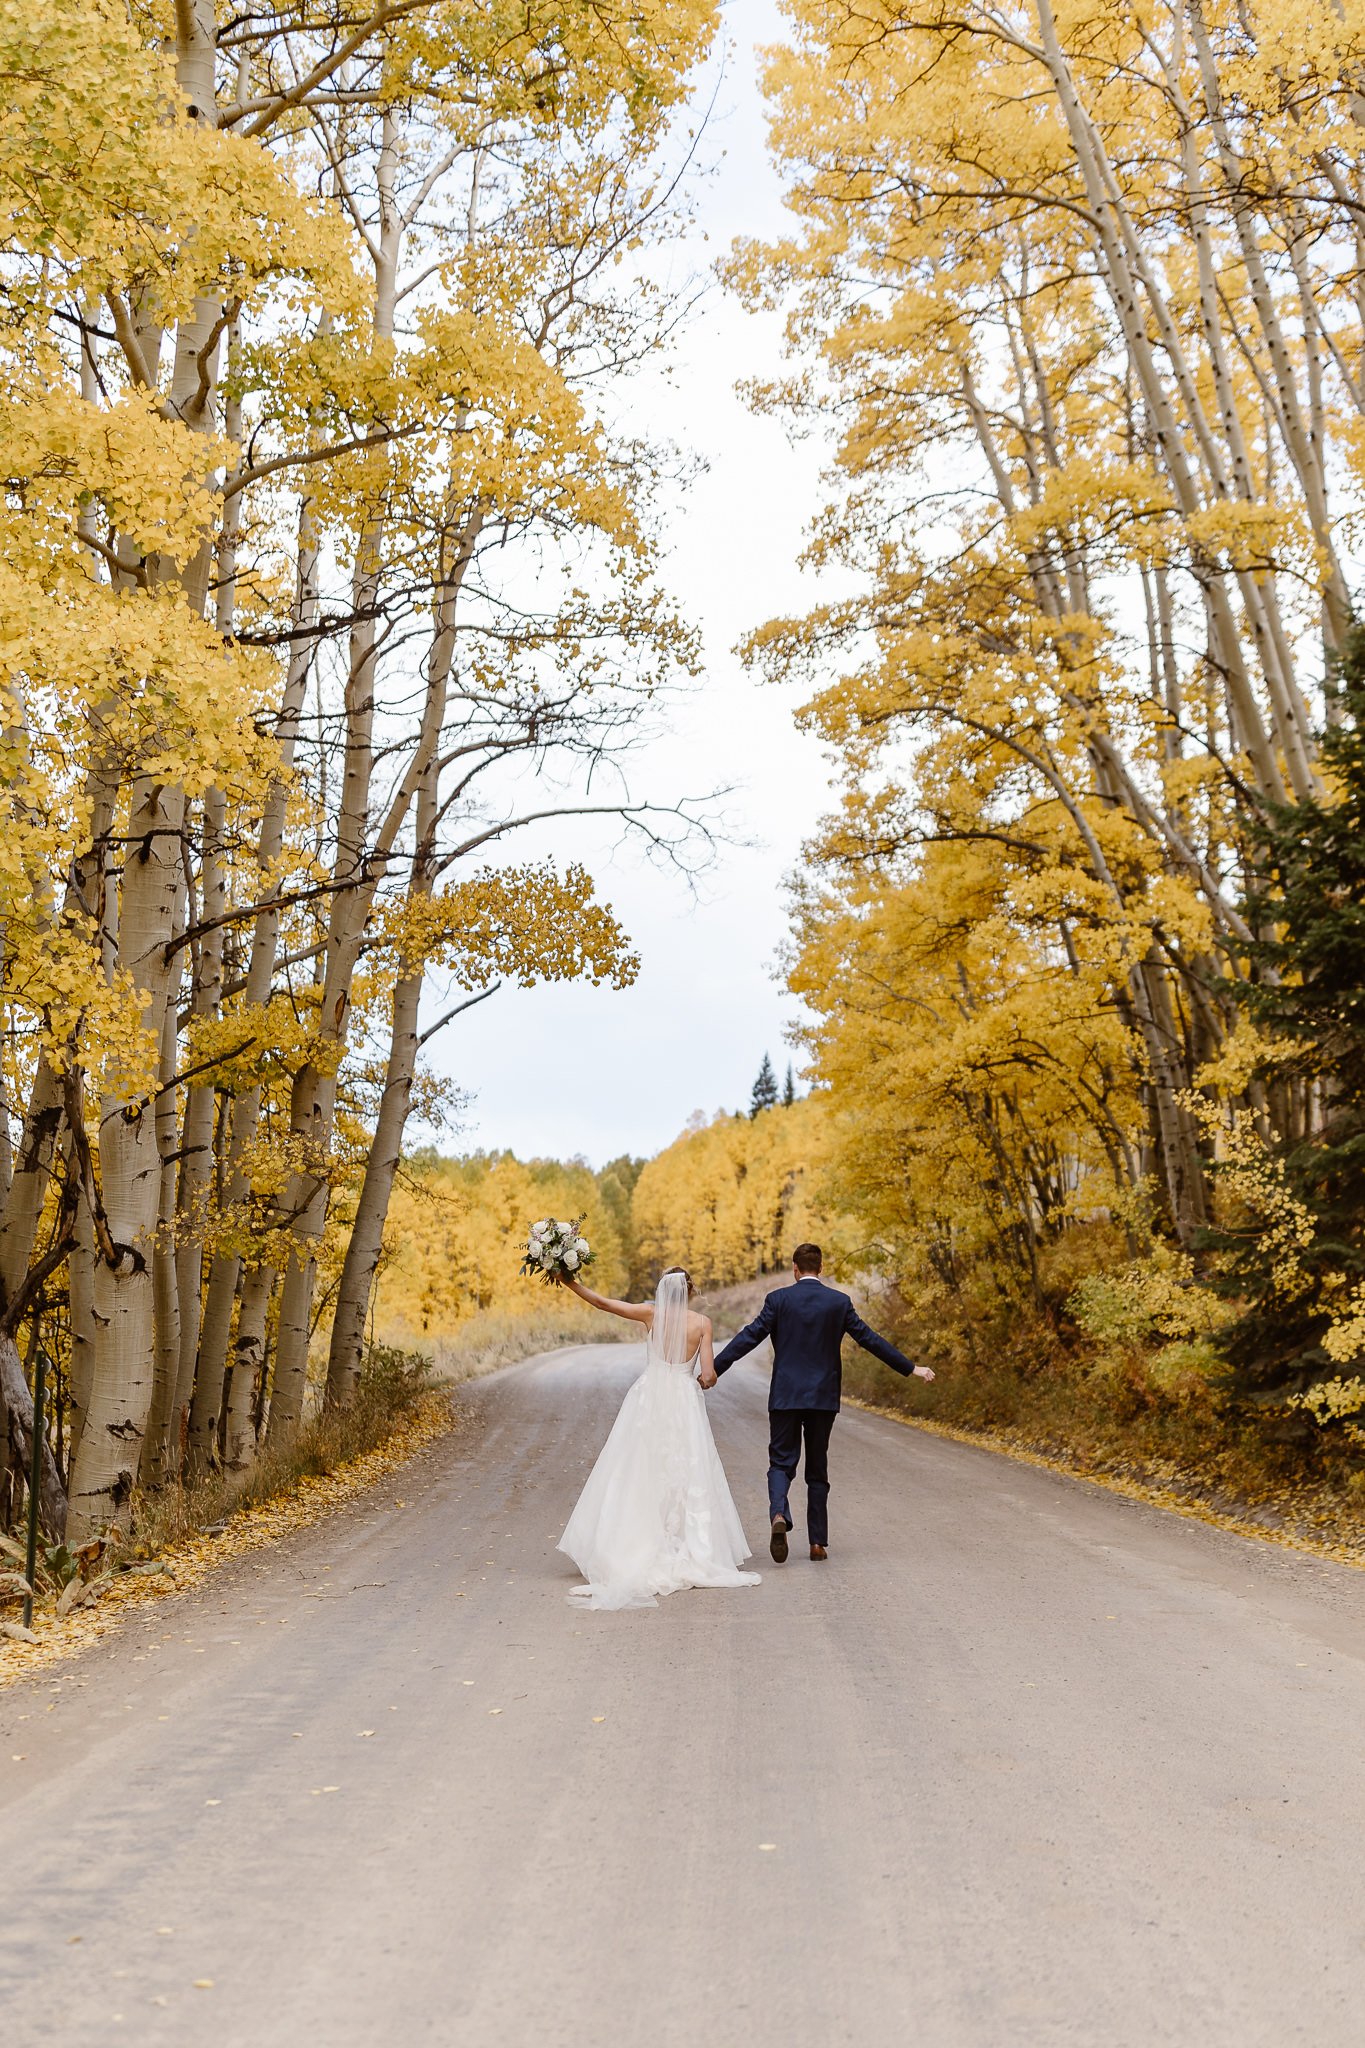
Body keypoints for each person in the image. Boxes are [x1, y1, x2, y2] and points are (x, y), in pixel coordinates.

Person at [712, 1242, 936, 1562]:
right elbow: (870, 1339)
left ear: (794, 1268)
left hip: (786, 1396)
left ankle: (779, 1514)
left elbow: (749, 1337)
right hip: (822, 1398)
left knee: (780, 1463)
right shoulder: (838, 1303)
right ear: (821, 1268)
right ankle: (817, 1543)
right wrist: (911, 1367)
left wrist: (714, 1370)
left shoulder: (778, 1300)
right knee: (817, 1470)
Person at [555, 1267, 761, 1609]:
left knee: (638, 1468)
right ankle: (688, 1545)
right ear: (691, 1290)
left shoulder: (651, 1314)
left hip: (648, 1397)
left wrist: (569, 1281)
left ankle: (633, 1544)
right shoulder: (702, 1324)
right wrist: (702, 1381)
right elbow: (708, 1374)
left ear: (663, 1289)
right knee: (688, 1471)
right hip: (683, 1400)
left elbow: (602, 1303)